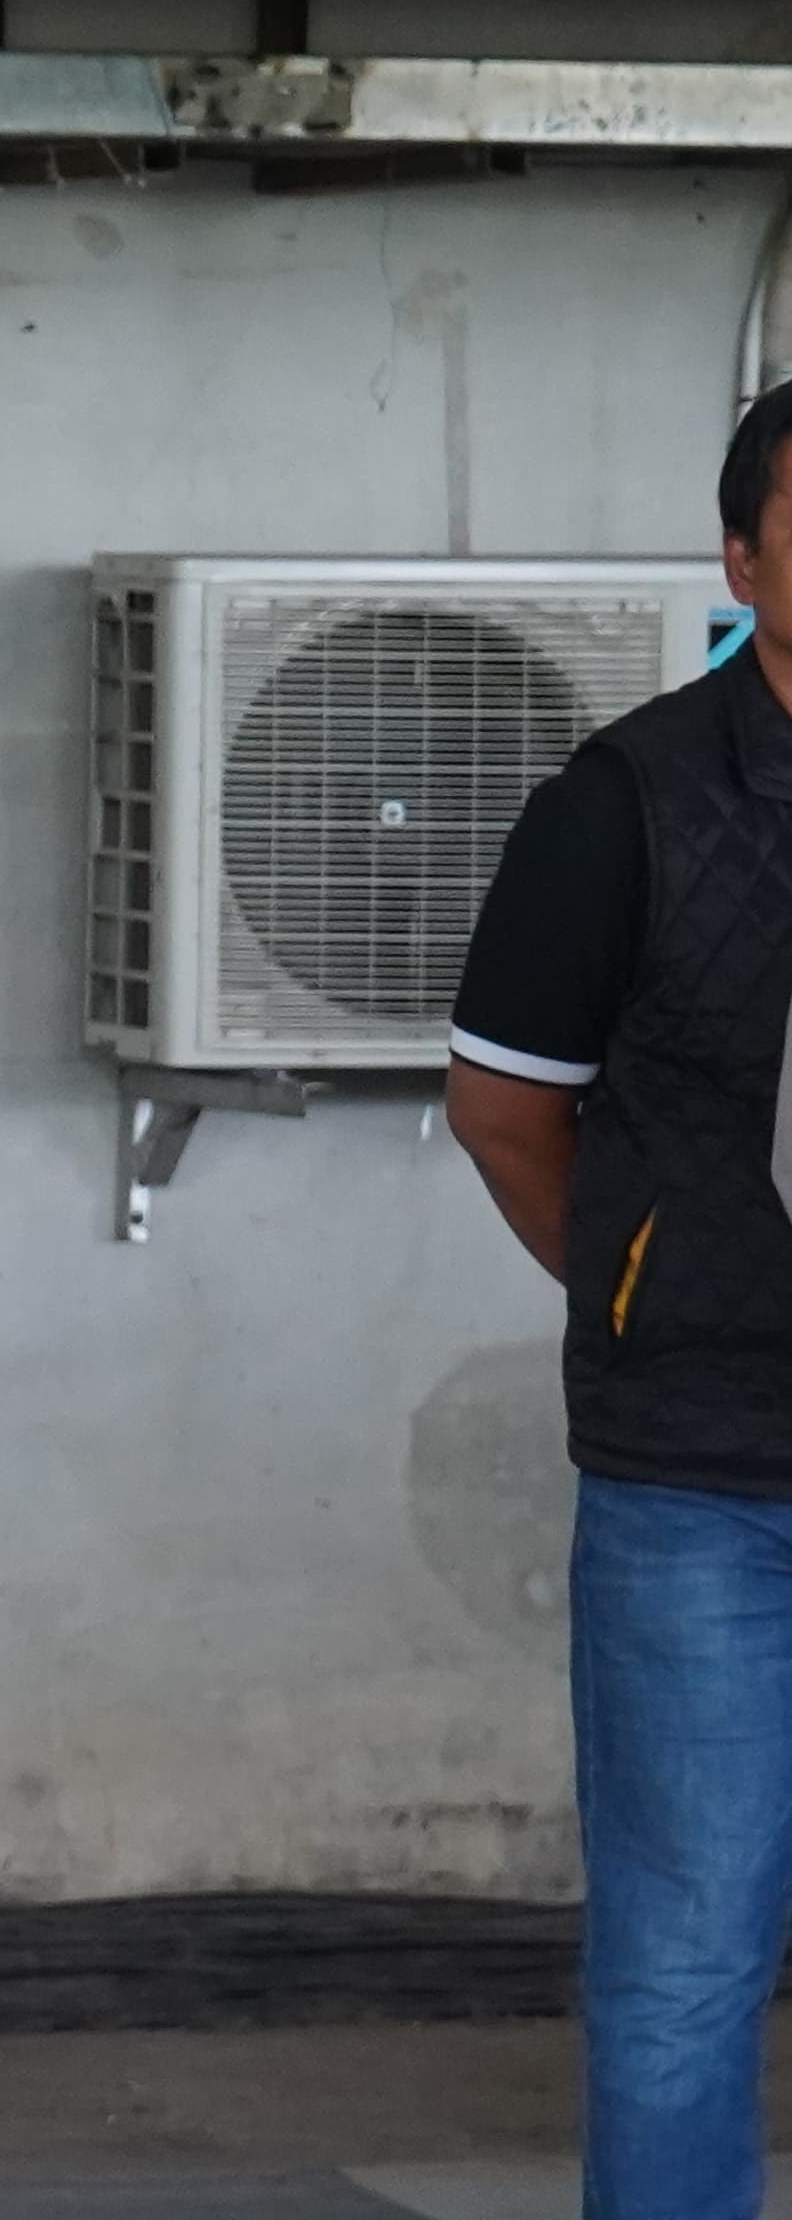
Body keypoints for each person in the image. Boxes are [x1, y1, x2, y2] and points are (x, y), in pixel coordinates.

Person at [447, 376, 792, 2220]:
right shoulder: (629, 804)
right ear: (740, 557)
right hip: (707, 1489)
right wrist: (652, 1288)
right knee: (681, 1967)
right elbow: (506, 1112)